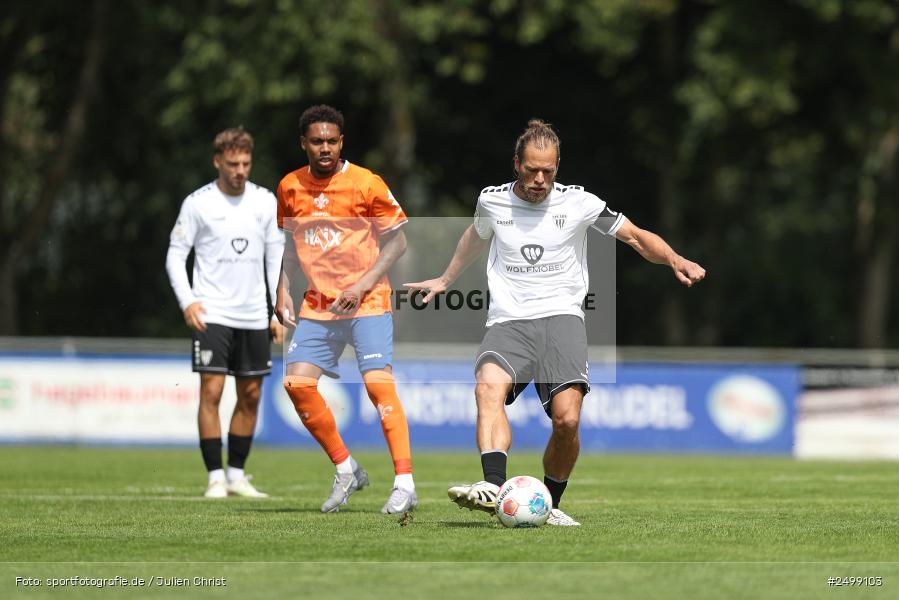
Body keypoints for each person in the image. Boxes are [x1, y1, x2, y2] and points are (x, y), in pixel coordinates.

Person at [406, 119, 706, 526]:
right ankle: (494, 486)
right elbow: (475, 237)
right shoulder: (492, 201)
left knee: (567, 420)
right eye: (532, 170)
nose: (540, 179)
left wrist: (675, 258)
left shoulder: (579, 203)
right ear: (517, 163)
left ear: (558, 167)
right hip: (508, 321)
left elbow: (634, 236)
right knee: (486, 389)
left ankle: (550, 503)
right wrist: (444, 279)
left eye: (548, 170)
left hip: (563, 319)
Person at [275, 104, 417, 515]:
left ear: (342, 142)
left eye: (332, 141)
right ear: (304, 143)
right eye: (316, 141)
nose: (325, 148)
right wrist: (282, 290)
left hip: (368, 299)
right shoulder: (289, 187)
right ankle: (346, 468)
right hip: (319, 305)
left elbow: (398, 242)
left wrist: (361, 284)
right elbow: (285, 246)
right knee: (297, 386)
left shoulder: (366, 183)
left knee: (377, 385)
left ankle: (404, 484)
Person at [166, 127, 285, 499]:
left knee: (250, 395)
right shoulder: (198, 203)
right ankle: (215, 477)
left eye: (246, 163)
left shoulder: (265, 202)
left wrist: (277, 310)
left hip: (253, 314)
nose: (240, 170)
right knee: (212, 390)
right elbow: (175, 254)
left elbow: (274, 258)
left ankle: (237, 474)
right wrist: (188, 301)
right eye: (233, 163)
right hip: (212, 311)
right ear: (218, 161)